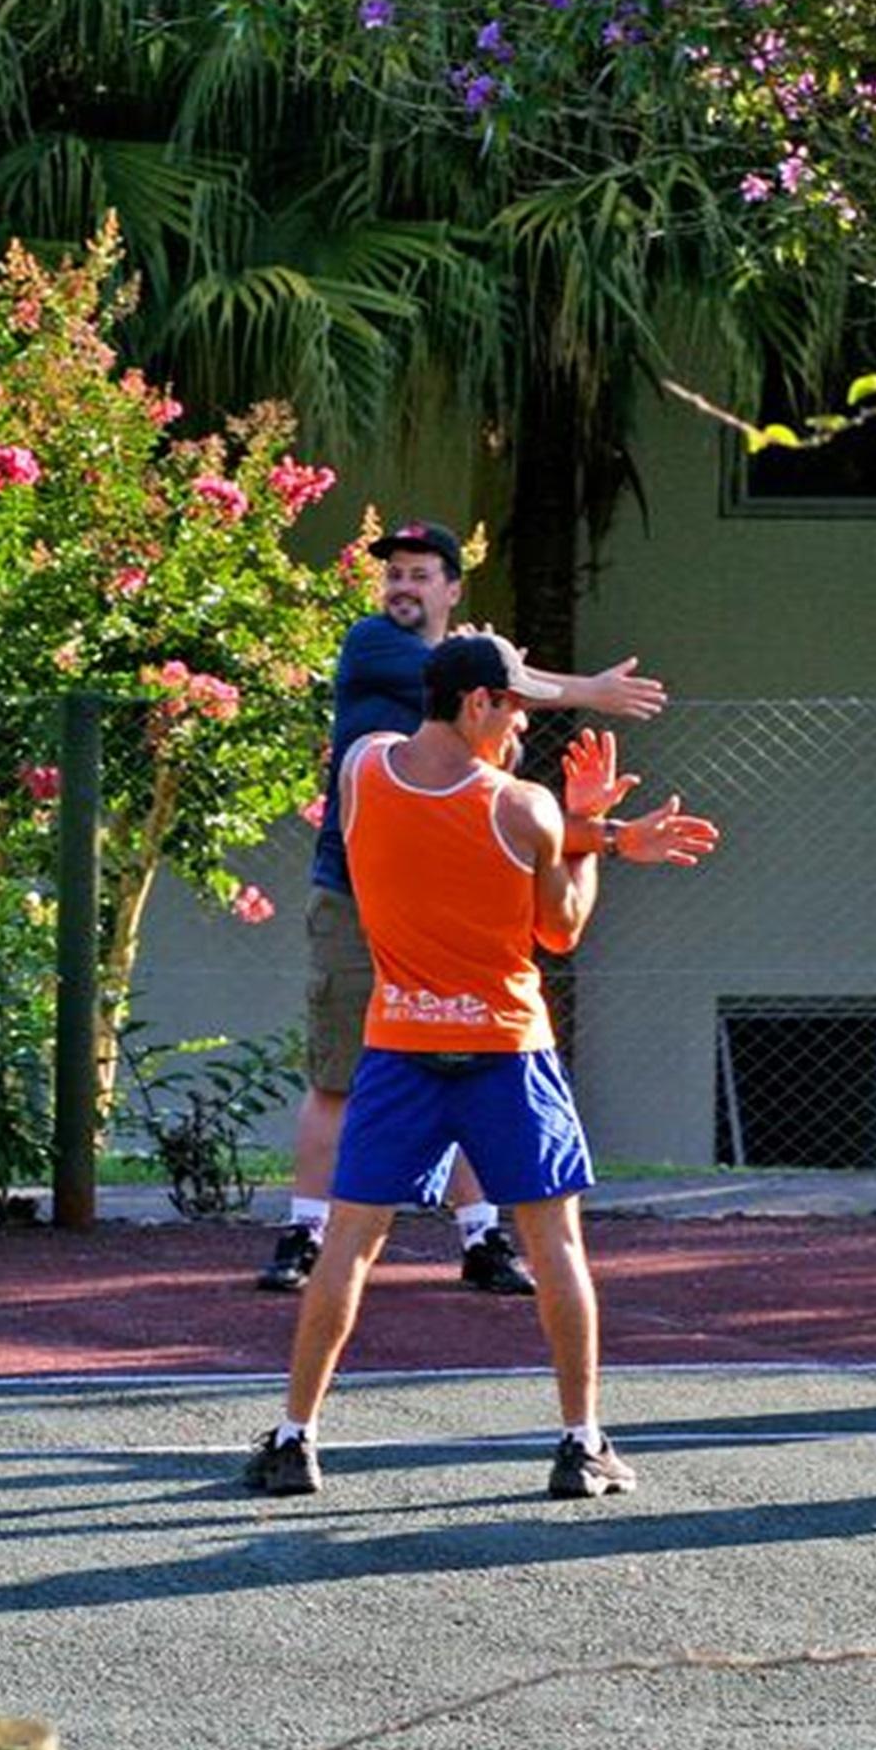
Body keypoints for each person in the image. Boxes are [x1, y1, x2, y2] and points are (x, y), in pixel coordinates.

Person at [243, 635, 720, 1499]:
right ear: (477, 705)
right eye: (517, 706)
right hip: (507, 1051)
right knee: (556, 1246)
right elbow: (562, 927)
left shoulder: (361, 768)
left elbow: (447, 815)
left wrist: (596, 828)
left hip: (401, 1047)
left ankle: (294, 1438)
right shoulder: (524, 806)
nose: (523, 724)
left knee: (348, 1244)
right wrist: (592, 834)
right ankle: (581, 1445)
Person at [255, 518, 667, 1298]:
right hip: (353, 894)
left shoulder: (481, 701)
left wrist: (606, 834)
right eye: (394, 573)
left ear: (451, 587)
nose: (402, 586)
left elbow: (532, 827)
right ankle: (303, 1233)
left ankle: (482, 1239)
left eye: (420, 574)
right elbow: (490, 687)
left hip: (455, 895)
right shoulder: (373, 644)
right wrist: (590, 692)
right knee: (338, 1074)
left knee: (471, 1061)